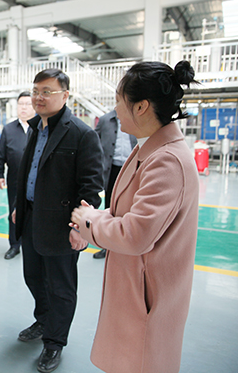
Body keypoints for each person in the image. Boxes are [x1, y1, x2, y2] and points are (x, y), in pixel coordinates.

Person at [70, 61, 199, 373]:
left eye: (119, 100)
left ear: (141, 107)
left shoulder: (166, 161)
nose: (115, 109)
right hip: (134, 285)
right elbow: (129, 212)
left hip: (147, 296)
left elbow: (136, 233)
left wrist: (89, 221)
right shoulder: (148, 149)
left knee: (140, 361)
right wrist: (92, 218)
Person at [12, 69, 103, 373]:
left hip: (62, 224)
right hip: (31, 216)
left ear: (65, 95)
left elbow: (91, 187)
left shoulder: (81, 133)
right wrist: (19, 206)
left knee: (61, 287)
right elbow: (28, 173)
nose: (39, 97)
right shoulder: (35, 128)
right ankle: (43, 320)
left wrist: (80, 228)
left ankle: (54, 342)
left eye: (47, 91)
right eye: (36, 91)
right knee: (33, 277)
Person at [92, 109, 137, 259]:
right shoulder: (105, 120)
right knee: (110, 208)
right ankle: (107, 247)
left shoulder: (136, 118)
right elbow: (94, 141)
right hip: (111, 170)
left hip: (131, 169)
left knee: (131, 207)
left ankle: (128, 245)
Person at [0, 91, 34, 260]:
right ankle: (14, 245)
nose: (23, 108)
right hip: (15, 180)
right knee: (14, 212)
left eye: (28, 104)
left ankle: (33, 244)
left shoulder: (40, 128)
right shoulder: (9, 129)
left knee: (34, 213)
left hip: (36, 181)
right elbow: (1, 154)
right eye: (21, 104)